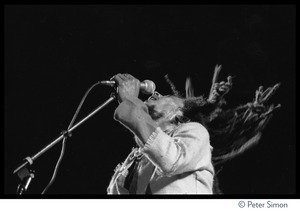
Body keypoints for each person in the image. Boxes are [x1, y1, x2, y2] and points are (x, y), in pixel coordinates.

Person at [107, 65, 280, 194]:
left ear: (178, 115)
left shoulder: (195, 132)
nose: (155, 95)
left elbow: (170, 158)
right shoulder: (134, 159)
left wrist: (131, 101)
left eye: (164, 96)